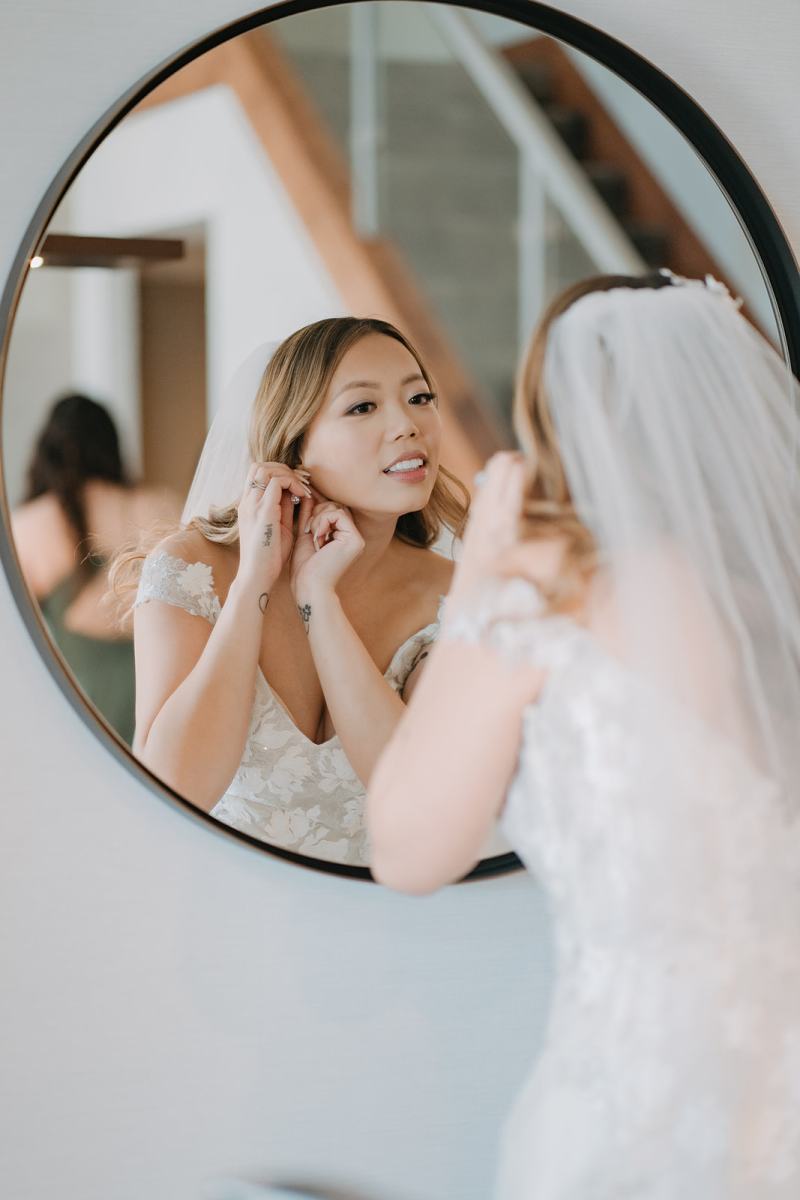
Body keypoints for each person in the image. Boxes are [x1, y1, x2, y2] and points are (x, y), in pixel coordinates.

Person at [367, 271, 800, 1195]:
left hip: (638, 1116)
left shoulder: (546, 586)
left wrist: (478, 584)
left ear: (553, 425)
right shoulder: (779, 598)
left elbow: (407, 850)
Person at [122, 316, 469, 867]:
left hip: (383, 911)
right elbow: (173, 789)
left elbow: (416, 799)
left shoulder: (450, 594)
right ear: (296, 444)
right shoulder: (192, 569)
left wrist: (319, 600)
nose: (407, 425)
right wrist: (252, 584)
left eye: (419, 397)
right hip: (216, 903)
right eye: (363, 406)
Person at [11, 392, 180, 744]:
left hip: (78, 724)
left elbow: (15, 648)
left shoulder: (29, 527)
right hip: (163, 712)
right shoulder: (163, 506)